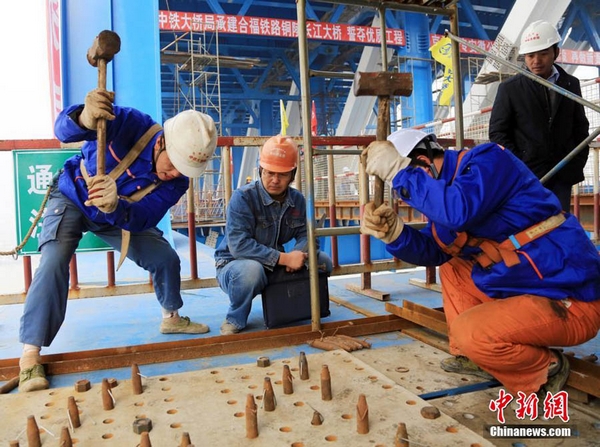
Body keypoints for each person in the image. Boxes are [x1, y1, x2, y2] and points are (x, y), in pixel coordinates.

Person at [361, 128, 600, 399]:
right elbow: (435, 251)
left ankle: (548, 367)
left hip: (570, 300)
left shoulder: (488, 160)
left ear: (424, 165)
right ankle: (475, 356)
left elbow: (459, 209)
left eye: (411, 181)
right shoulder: (447, 199)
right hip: (531, 285)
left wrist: (398, 171)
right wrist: (397, 235)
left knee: (470, 333)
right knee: (453, 265)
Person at [18, 88, 218, 392]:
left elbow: (145, 217)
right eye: (173, 163)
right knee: (54, 262)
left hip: (117, 213)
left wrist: (116, 207)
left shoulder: (178, 181)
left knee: (165, 258)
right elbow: (63, 129)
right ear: (163, 140)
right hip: (74, 195)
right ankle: (30, 357)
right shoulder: (129, 123)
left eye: (184, 169)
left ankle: (171, 317)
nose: (174, 173)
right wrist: (84, 118)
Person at [214, 135, 333, 335]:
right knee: (252, 271)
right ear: (261, 169)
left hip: (273, 262)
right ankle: (235, 317)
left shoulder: (297, 200)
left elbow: (308, 236)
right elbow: (239, 246)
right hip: (235, 265)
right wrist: (285, 258)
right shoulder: (243, 198)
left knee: (323, 262)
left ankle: (298, 307)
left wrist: (297, 254)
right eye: (269, 173)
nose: (275, 180)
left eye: (282, 174)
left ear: (293, 175)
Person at [489, 20, 590, 212]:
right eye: (530, 55)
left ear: (556, 53)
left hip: (563, 174)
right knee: (529, 229)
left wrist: (575, 163)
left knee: (558, 224)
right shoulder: (510, 89)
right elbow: (497, 133)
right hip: (526, 177)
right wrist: (520, 166)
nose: (536, 61)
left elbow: (580, 127)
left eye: (543, 54)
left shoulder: (571, 84)